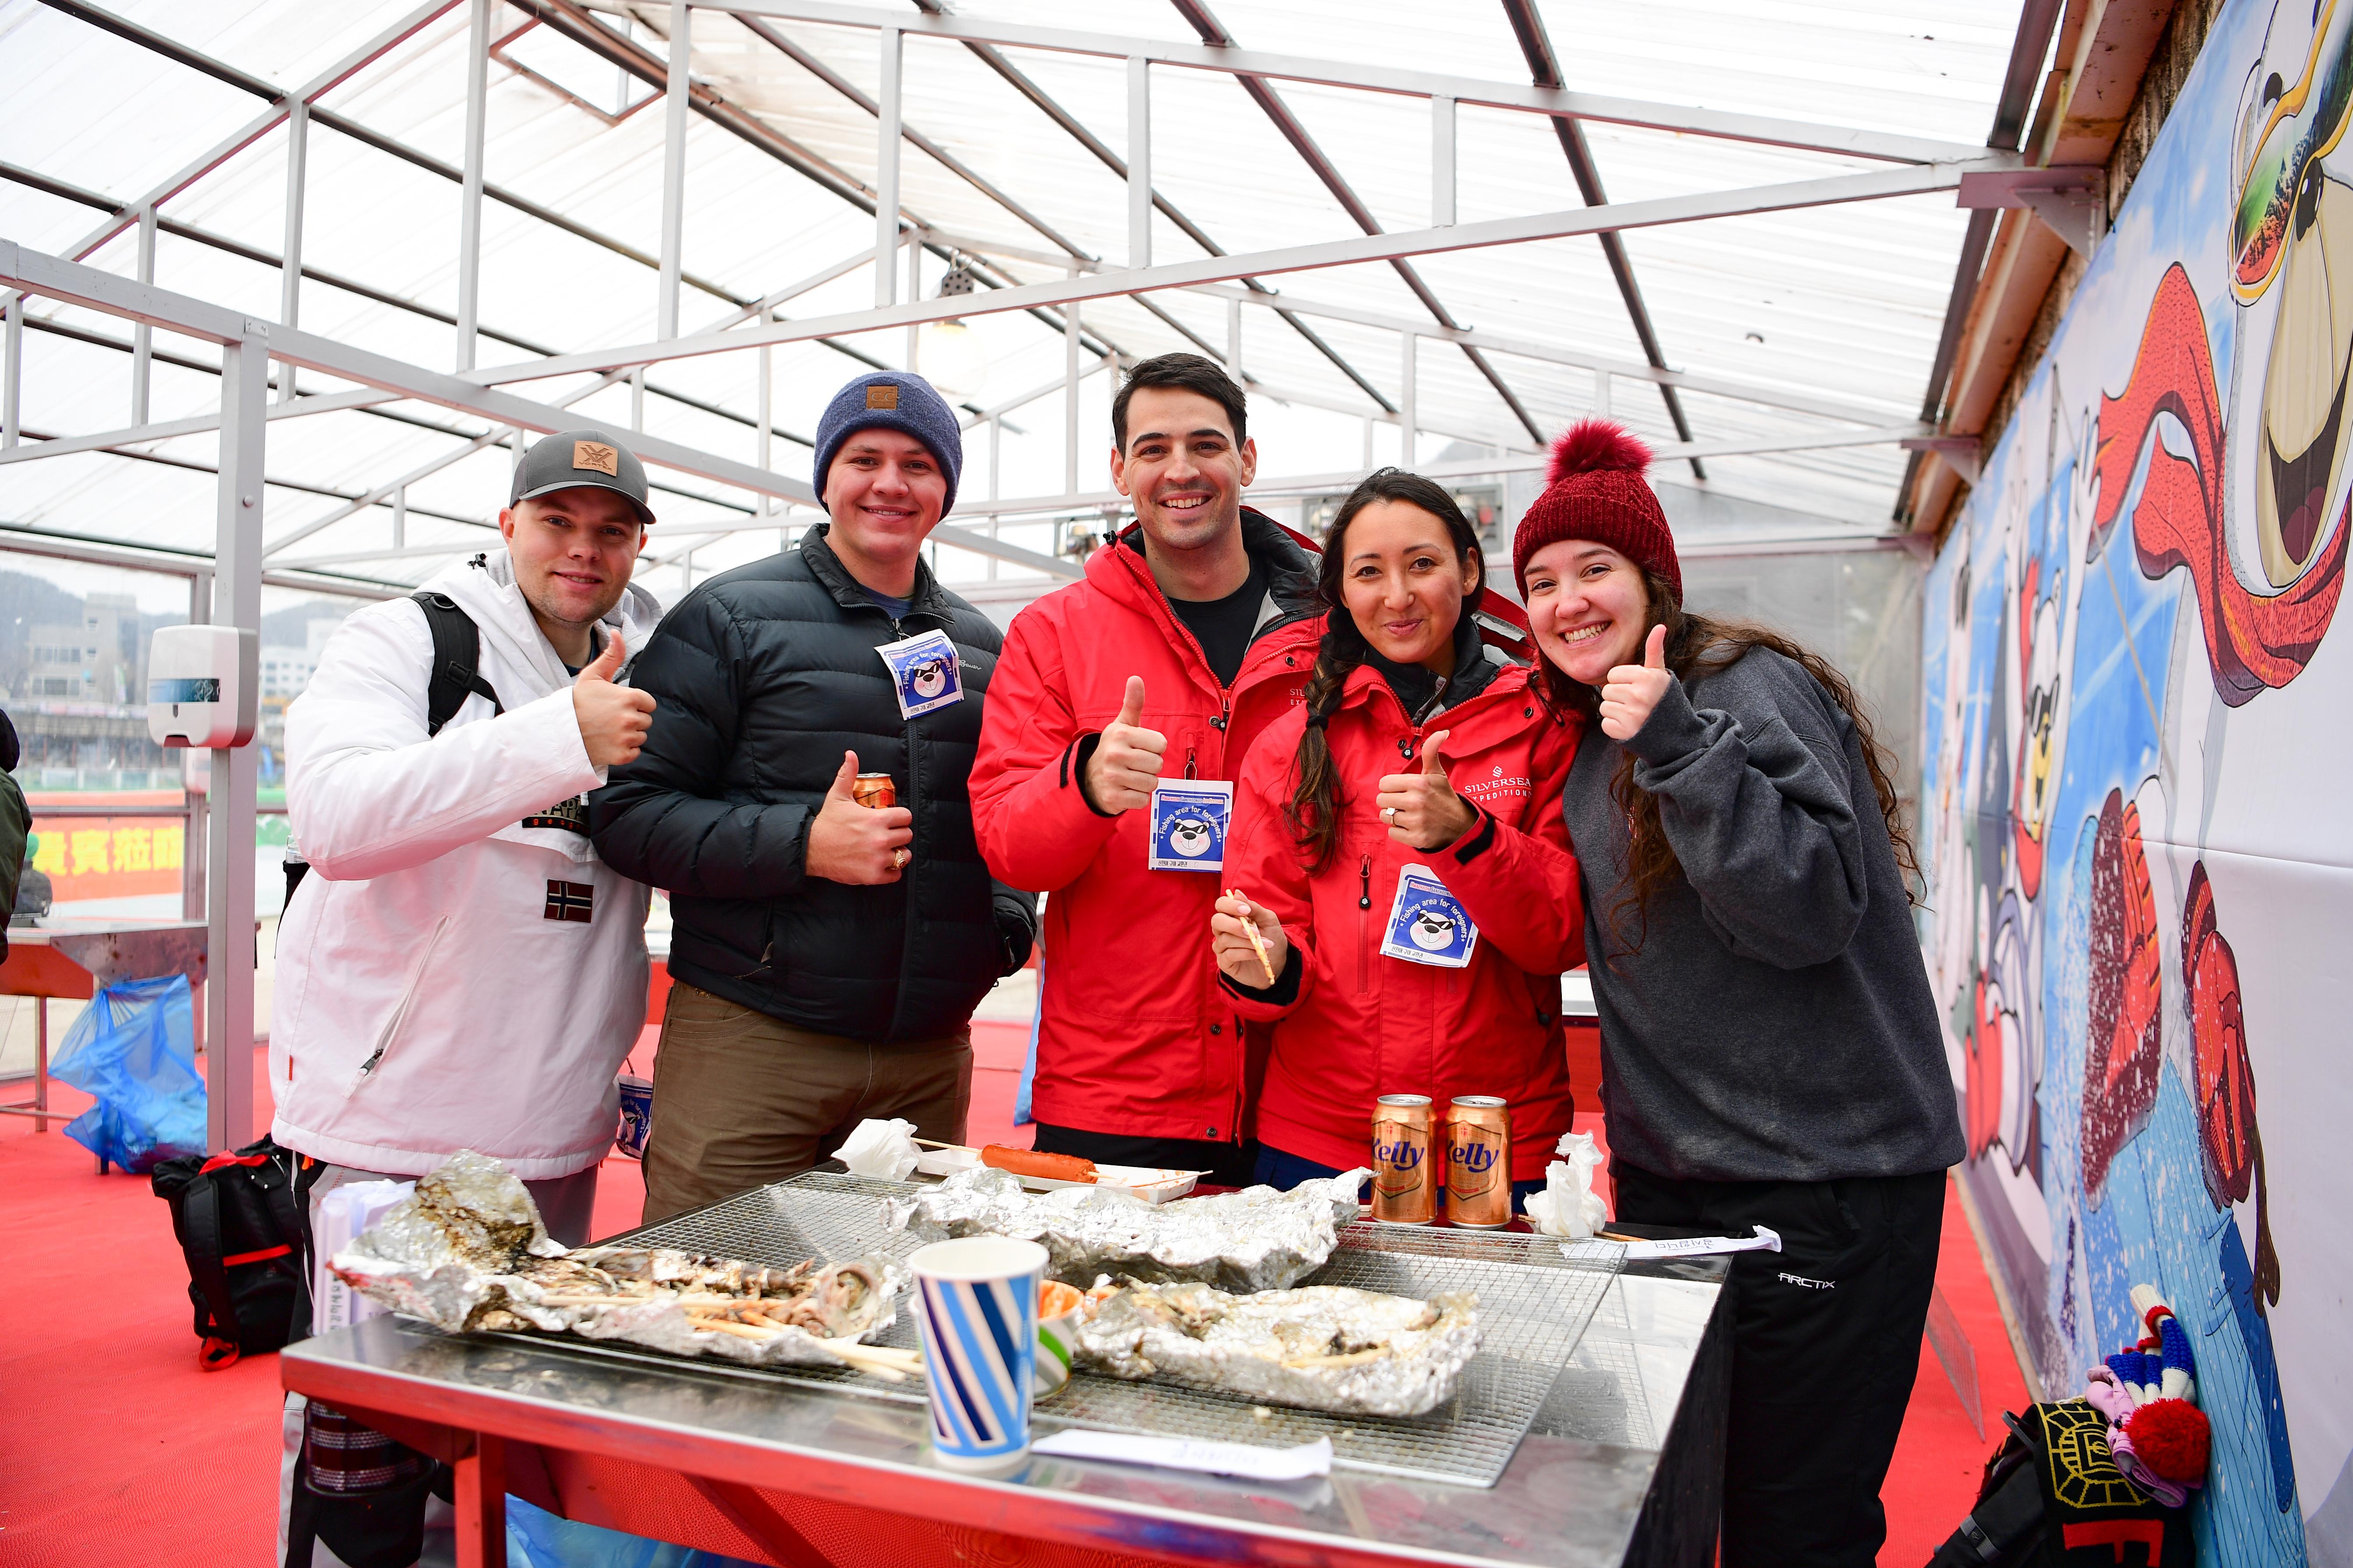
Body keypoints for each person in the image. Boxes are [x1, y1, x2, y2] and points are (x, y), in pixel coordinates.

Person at [1514, 420, 1965, 1566]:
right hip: (1681, 1180)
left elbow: (1807, 908)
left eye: (1591, 570)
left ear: (1653, 578)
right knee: (1665, 1509)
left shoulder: (1731, 692)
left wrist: (1678, 744)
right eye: (1538, 581)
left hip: (1822, 1181)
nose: (1565, 600)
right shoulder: (1591, 732)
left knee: (1790, 1524)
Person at [274, 426, 664, 1568]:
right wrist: (555, 740)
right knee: (369, 1441)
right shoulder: (411, 639)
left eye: (611, 530)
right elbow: (335, 818)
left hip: (551, 1133)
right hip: (398, 1127)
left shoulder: (632, 679)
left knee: (507, 1434)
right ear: (507, 526)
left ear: (639, 545)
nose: (581, 550)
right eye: (556, 521)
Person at [592, 371, 1036, 1223]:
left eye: (917, 464)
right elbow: (629, 817)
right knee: (704, 1295)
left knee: (892, 1308)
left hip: (927, 1058)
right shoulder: (728, 618)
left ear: (945, 489)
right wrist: (804, 842)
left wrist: (1002, 929)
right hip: (756, 1044)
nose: (889, 484)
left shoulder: (980, 647)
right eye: (863, 459)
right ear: (826, 478)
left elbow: (1002, 814)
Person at [969, 354, 1324, 1185]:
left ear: (1245, 459)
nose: (1181, 469)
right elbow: (1007, 847)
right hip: (1118, 1089)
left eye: (1205, 443)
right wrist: (1083, 787)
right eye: (1153, 446)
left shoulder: (1329, 639)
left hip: (1304, 1080)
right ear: (1120, 469)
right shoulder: (1053, 634)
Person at [1210, 470, 1584, 1199]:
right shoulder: (1292, 745)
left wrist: (1468, 837)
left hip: (1497, 1136)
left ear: (1469, 570)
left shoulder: (1546, 725)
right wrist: (1265, 964)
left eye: (1422, 563)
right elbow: (1264, 942)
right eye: (1368, 573)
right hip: (1324, 1140)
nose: (1397, 596)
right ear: (1342, 594)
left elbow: (1562, 934)